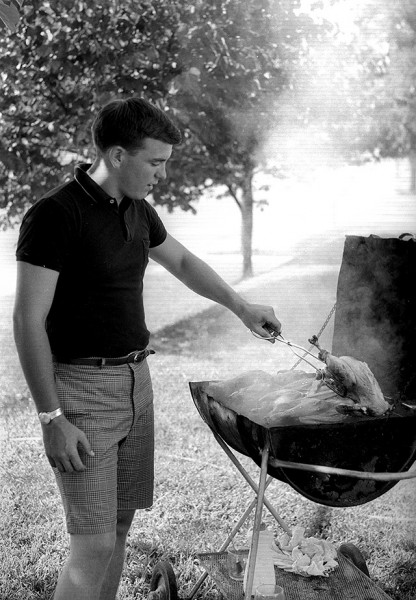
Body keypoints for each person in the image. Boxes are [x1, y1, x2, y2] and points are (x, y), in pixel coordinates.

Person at [13, 97, 281, 600]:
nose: (161, 174)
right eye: (155, 163)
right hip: (82, 391)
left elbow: (180, 261)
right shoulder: (54, 215)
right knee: (91, 545)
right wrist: (52, 418)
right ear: (117, 156)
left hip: (138, 384)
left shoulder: (137, 210)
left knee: (117, 528)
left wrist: (240, 306)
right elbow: (27, 321)